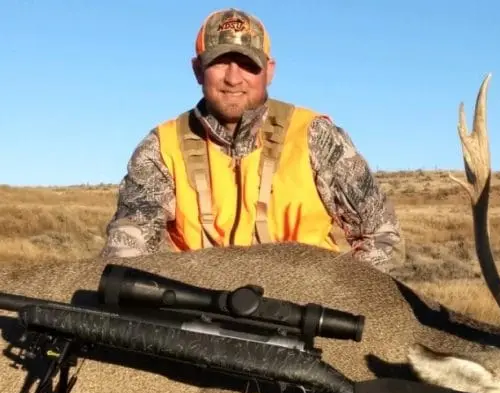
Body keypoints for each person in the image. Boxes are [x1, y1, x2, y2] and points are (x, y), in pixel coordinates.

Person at [101, 8, 403, 271]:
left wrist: (341, 301)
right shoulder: (162, 147)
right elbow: (128, 250)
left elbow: (381, 234)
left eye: (248, 64)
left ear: (269, 71)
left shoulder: (314, 136)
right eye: (220, 62)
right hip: (200, 312)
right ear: (197, 69)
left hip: (308, 311)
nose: (234, 78)